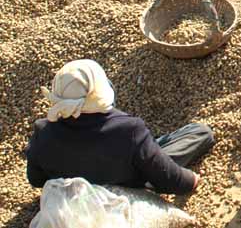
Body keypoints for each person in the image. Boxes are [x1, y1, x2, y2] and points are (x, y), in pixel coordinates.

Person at [26, 60, 214, 194]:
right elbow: (170, 181)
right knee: (201, 132)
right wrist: (190, 181)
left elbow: (36, 180)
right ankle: (149, 149)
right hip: (129, 189)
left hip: (77, 196)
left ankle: (148, 148)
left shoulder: (43, 131)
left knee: (144, 147)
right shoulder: (130, 129)